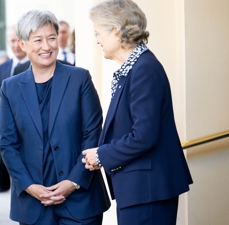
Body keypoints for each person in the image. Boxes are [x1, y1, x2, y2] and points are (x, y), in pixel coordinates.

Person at [82, 0, 193, 224]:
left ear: (116, 30)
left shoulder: (144, 69)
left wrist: (102, 155)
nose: (97, 41)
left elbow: (144, 135)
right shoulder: (135, 67)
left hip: (149, 189)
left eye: (98, 33)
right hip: (140, 189)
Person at [0, 9, 110, 225]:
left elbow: (93, 132)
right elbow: (7, 144)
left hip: (81, 201)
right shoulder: (9, 88)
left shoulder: (80, 79)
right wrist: (29, 186)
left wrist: (73, 181)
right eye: (38, 40)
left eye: (51, 38)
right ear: (22, 44)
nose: (46, 46)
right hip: (33, 205)